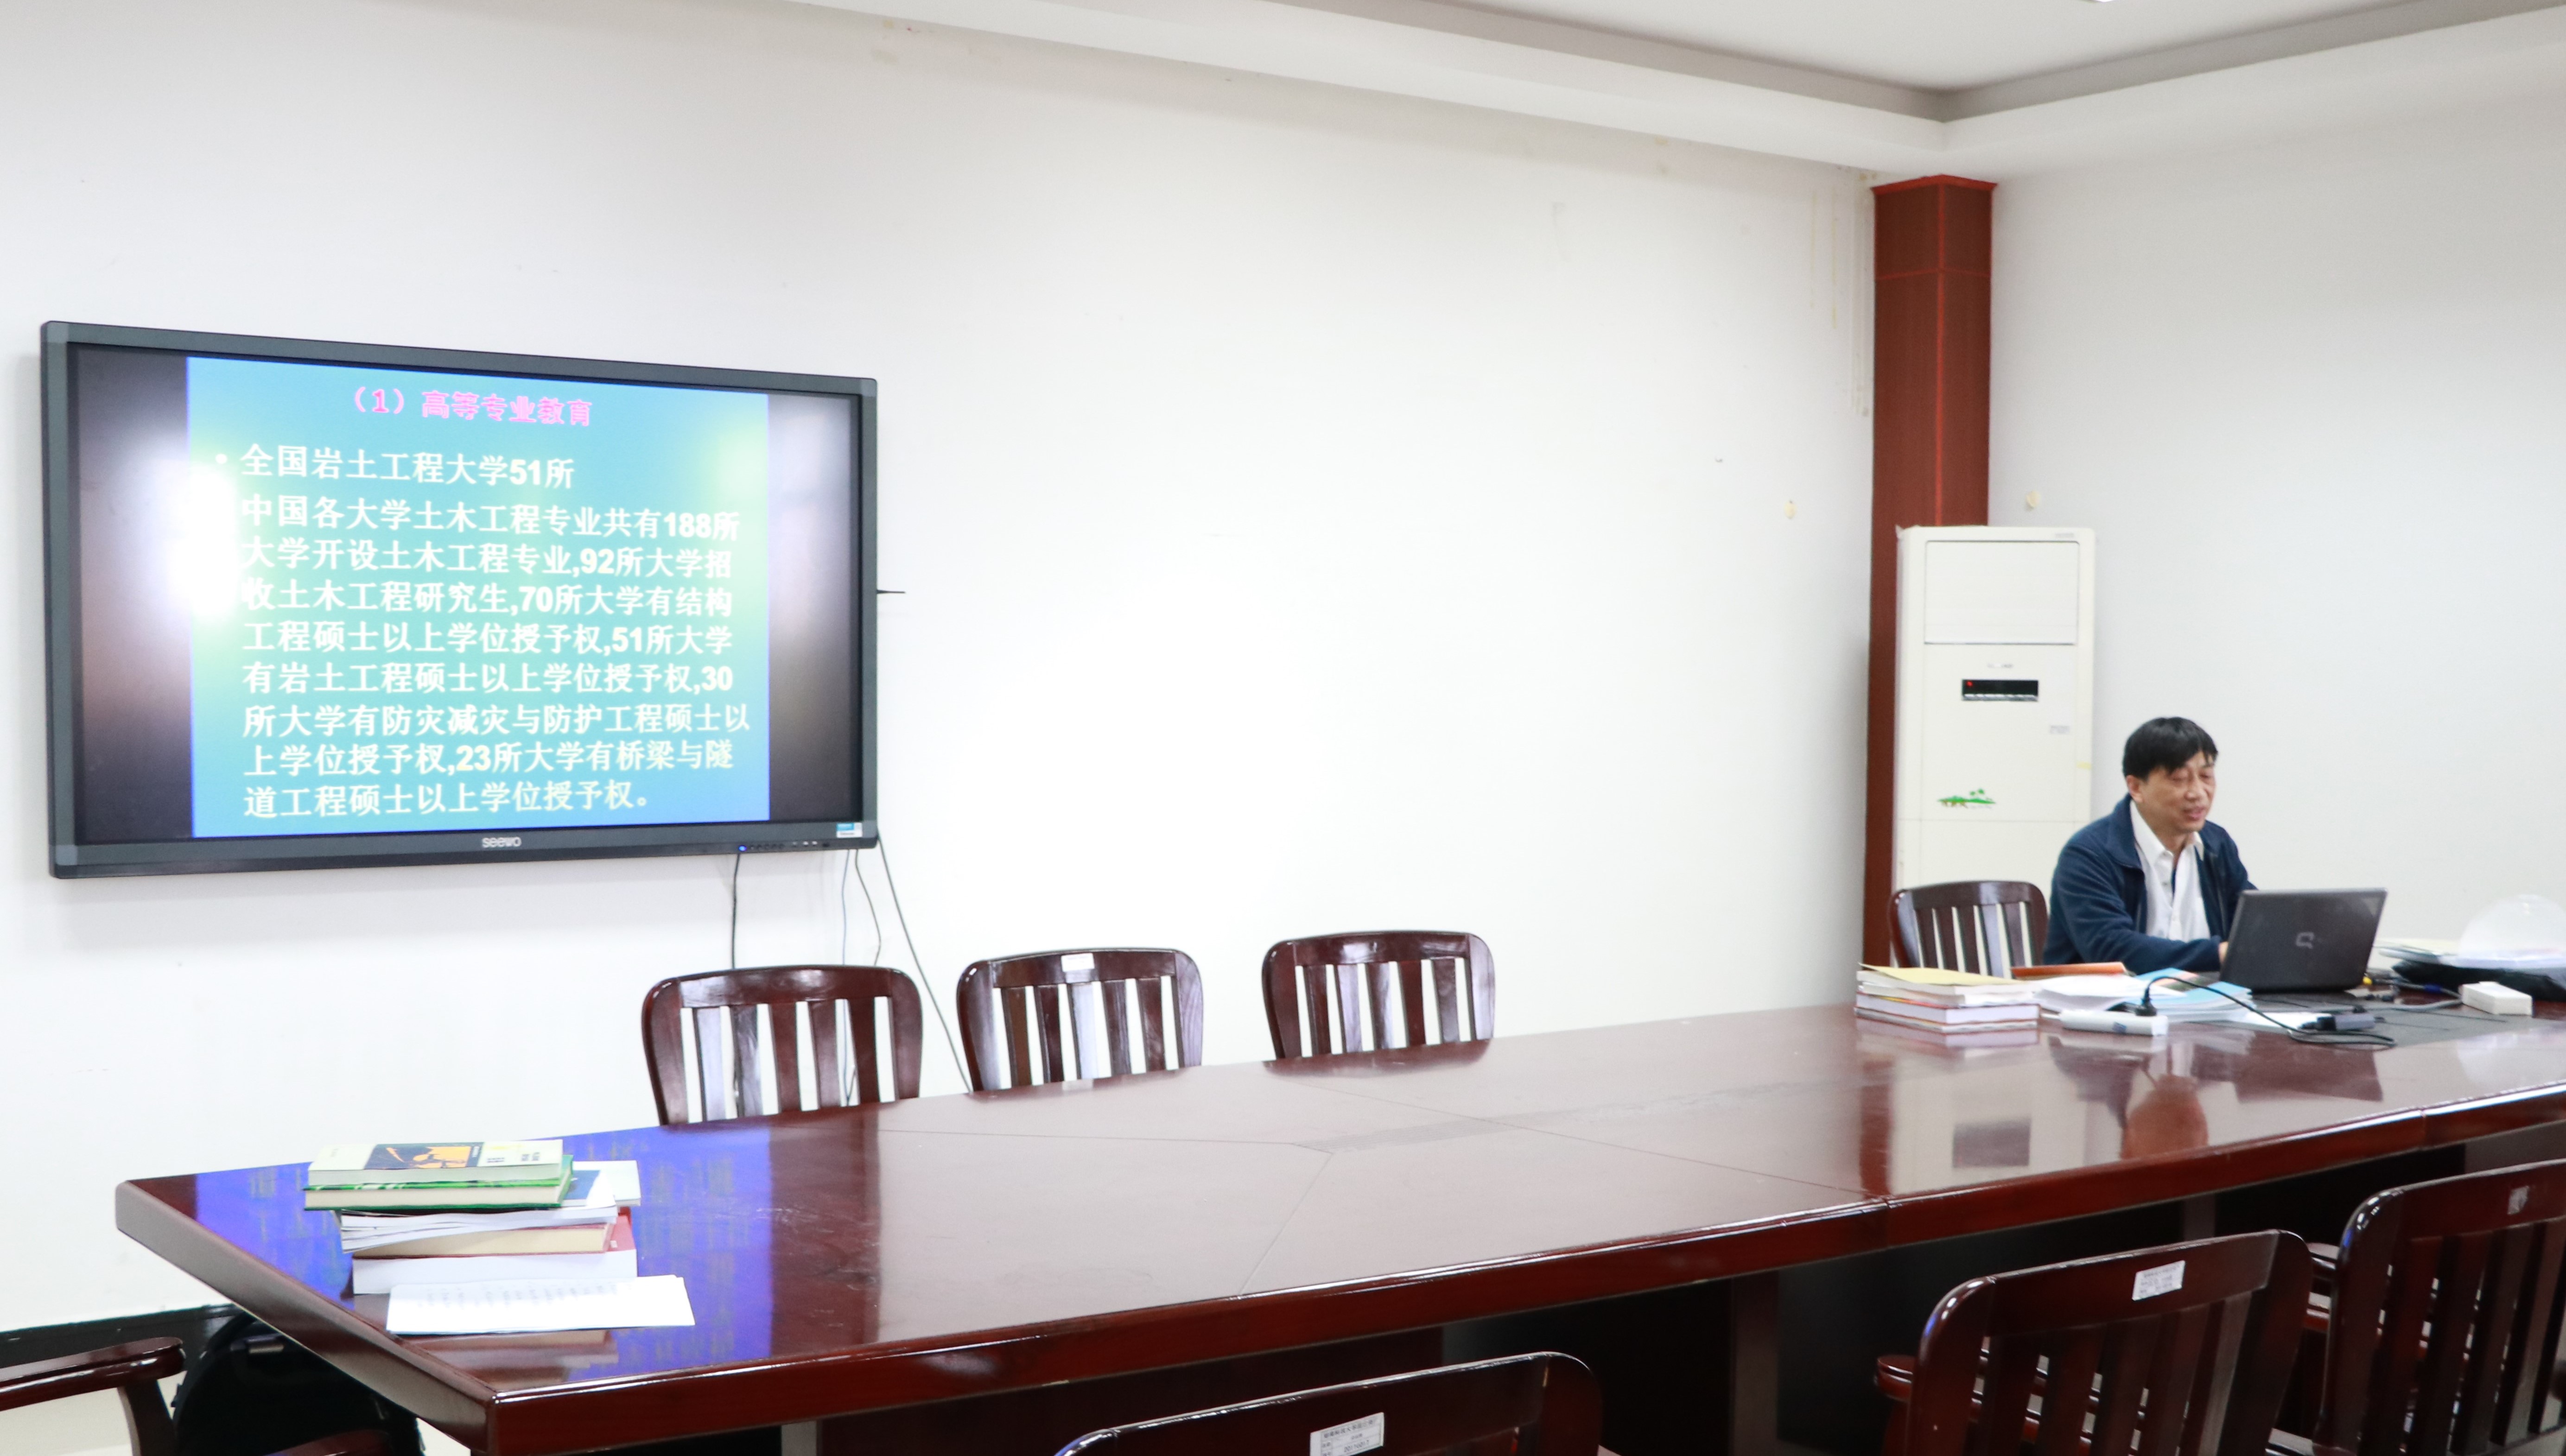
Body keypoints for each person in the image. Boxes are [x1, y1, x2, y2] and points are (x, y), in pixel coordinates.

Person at [2043, 716, 2253, 974]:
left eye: (2206, 776)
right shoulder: (2089, 854)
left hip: (2206, 996)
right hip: (2104, 998)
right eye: (2179, 779)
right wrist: (2218, 954)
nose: (2198, 792)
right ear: (2136, 787)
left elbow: (2252, 924)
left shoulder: (2216, 845)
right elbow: (2113, 950)